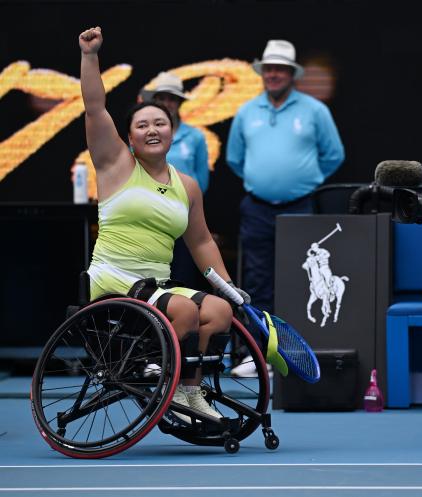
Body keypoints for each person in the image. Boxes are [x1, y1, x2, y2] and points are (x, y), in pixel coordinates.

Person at [79, 27, 248, 423]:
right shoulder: (116, 165)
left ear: (173, 132)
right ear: (129, 138)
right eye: (142, 125)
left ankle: (191, 392)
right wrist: (89, 56)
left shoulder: (186, 186)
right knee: (186, 313)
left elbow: (202, 240)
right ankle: (166, 384)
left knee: (220, 312)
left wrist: (229, 288)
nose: (152, 129)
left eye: (160, 123)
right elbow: (94, 107)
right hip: (113, 279)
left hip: (154, 286)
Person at [226, 39, 344, 377]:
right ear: (263, 73)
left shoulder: (314, 110)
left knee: (300, 281)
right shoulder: (248, 111)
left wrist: (305, 180)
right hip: (257, 207)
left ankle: (294, 354)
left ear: (292, 74)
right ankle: (259, 355)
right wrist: (261, 180)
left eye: (281, 69)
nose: (274, 74)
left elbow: (334, 154)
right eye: (269, 69)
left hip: (301, 206)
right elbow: (235, 158)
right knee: (257, 282)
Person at [143, 72, 210, 290]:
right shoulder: (141, 135)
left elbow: (202, 180)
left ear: (179, 102)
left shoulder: (196, 137)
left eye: (171, 98)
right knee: (150, 278)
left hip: (184, 218)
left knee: (183, 277)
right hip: (149, 217)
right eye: (161, 98)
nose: (166, 103)